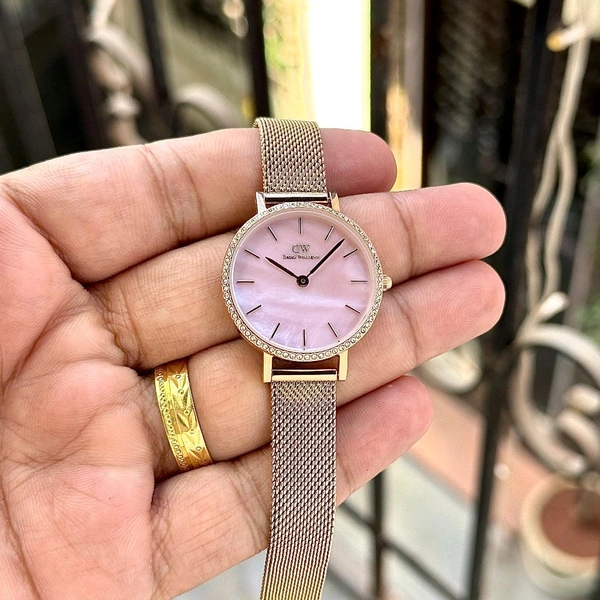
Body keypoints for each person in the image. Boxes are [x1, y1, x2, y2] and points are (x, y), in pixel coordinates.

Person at [0, 127, 505, 599]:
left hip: (314, 346)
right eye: (293, 272)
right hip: (289, 343)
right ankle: (295, 579)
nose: (302, 279)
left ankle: (295, 579)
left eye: (309, 273)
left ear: (379, 282)